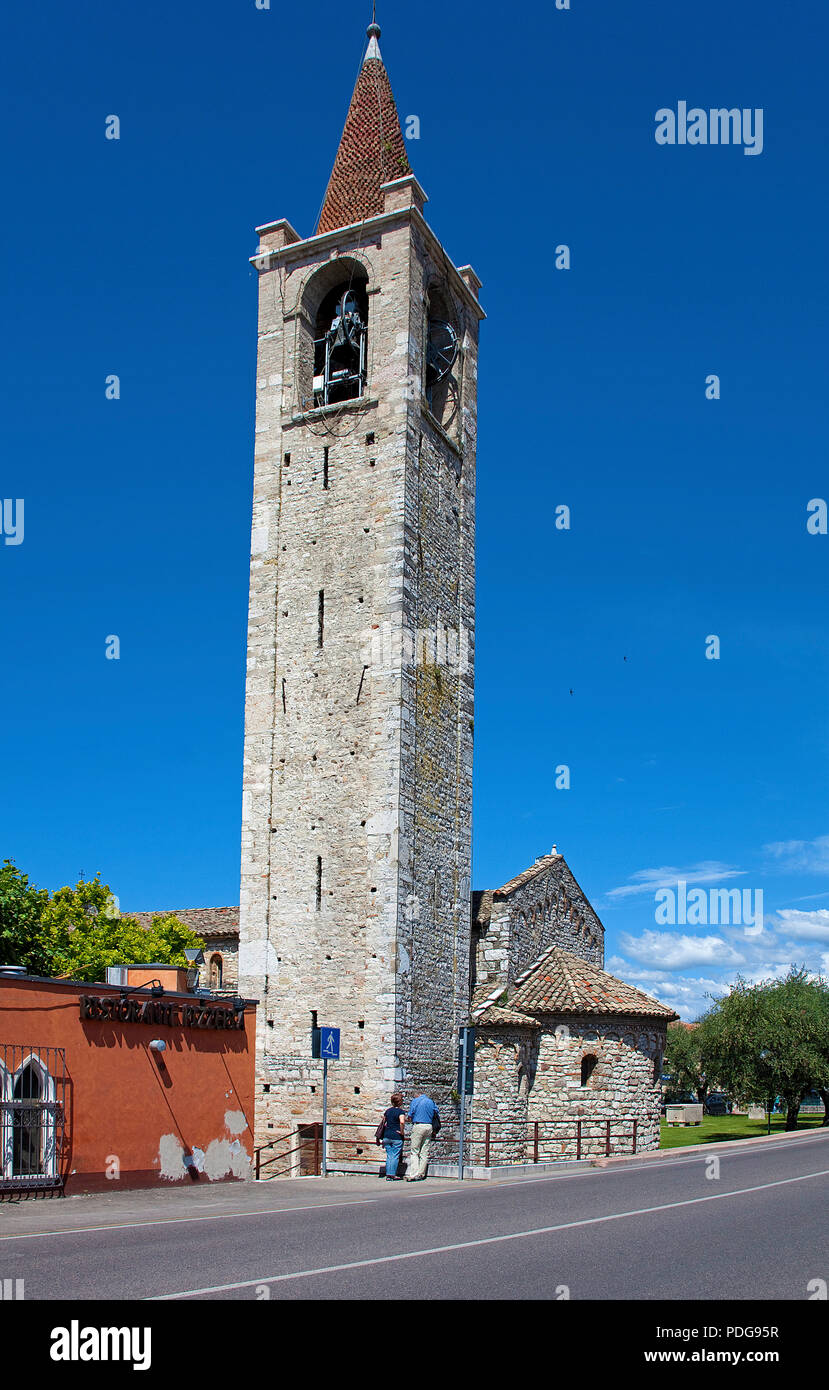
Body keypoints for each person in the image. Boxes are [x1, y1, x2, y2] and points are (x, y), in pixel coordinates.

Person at [406, 1092, 440, 1181]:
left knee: (414, 1150)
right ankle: (421, 1174)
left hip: (418, 1125)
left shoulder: (415, 1101)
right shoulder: (431, 1102)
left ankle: (413, 1174)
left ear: (417, 1095)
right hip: (429, 1126)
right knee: (424, 1151)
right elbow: (436, 1113)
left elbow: (410, 1114)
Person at [377, 1092, 406, 1180]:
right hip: (396, 1136)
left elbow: (384, 1122)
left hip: (386, 1135)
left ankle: (388, 1174)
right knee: (395, 1156)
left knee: (389, 1155)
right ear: (400, 1102)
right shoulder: (401, 1112)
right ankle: (392, 1174)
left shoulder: (388, 1111)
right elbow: (402, 1122)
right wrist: (401, 1131)